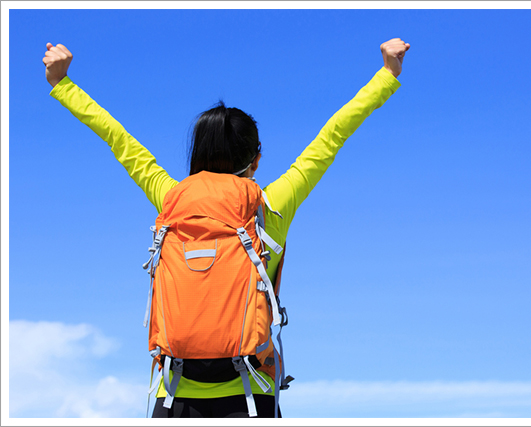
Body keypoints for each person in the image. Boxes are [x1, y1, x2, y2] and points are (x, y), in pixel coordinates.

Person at [43, 37, 410, 418]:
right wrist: (387, 74)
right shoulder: (271, 206)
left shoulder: (170, 198)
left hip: (175, 396)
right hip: (252, 393)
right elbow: (331, 137)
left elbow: (120, 142)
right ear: (256, 160)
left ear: (197, 156)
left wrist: (62, 84)